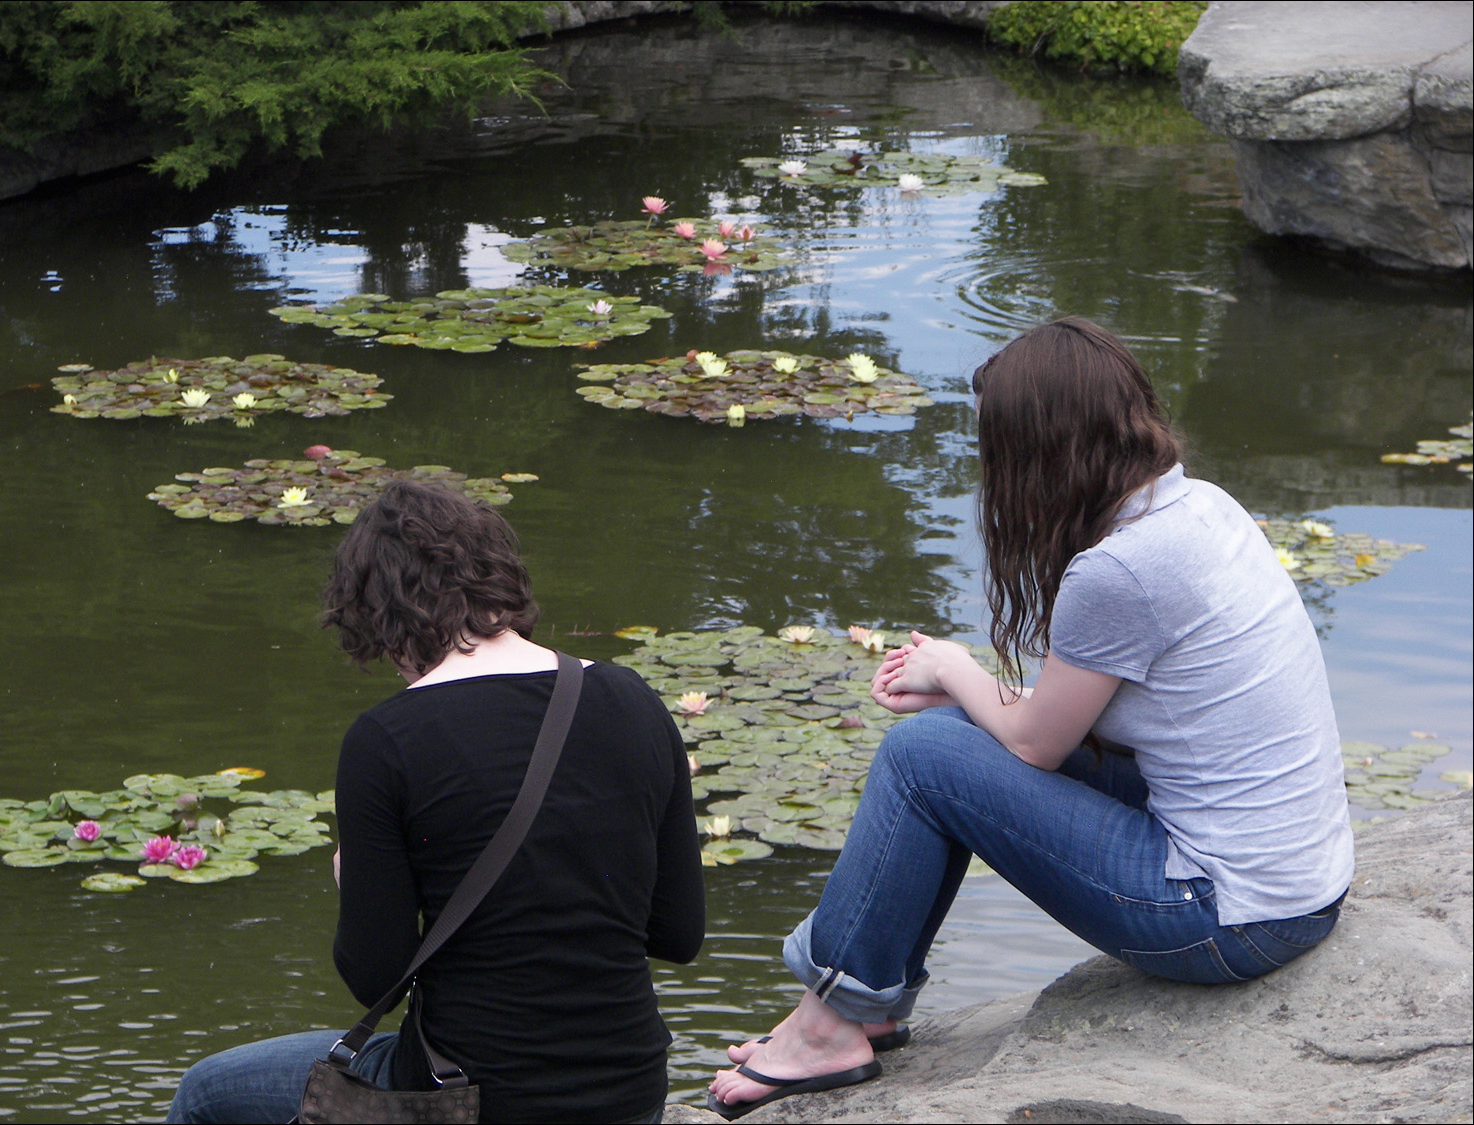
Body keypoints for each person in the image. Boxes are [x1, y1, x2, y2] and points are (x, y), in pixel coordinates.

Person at [709, 317, 1354, 1119]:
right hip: (1298, 886)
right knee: (950, 743)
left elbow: (1038, 744)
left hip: (1225, 915)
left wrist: (954, 669)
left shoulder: (1120, 568)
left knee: (919, 759)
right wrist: (976, 705)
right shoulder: (1200, 509)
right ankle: (858, 1003)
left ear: (1038, 454)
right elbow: (1086, 723)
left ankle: (830, 1025)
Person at [168, 480, 705, 1124]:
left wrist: (355, 882)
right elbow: (678, 934)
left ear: (378, 610)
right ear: (496, 580)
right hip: (629, 1093)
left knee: (206, 1094)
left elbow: (375, 978)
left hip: (473, 1098)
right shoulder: (633, 699)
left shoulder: (387, 740)